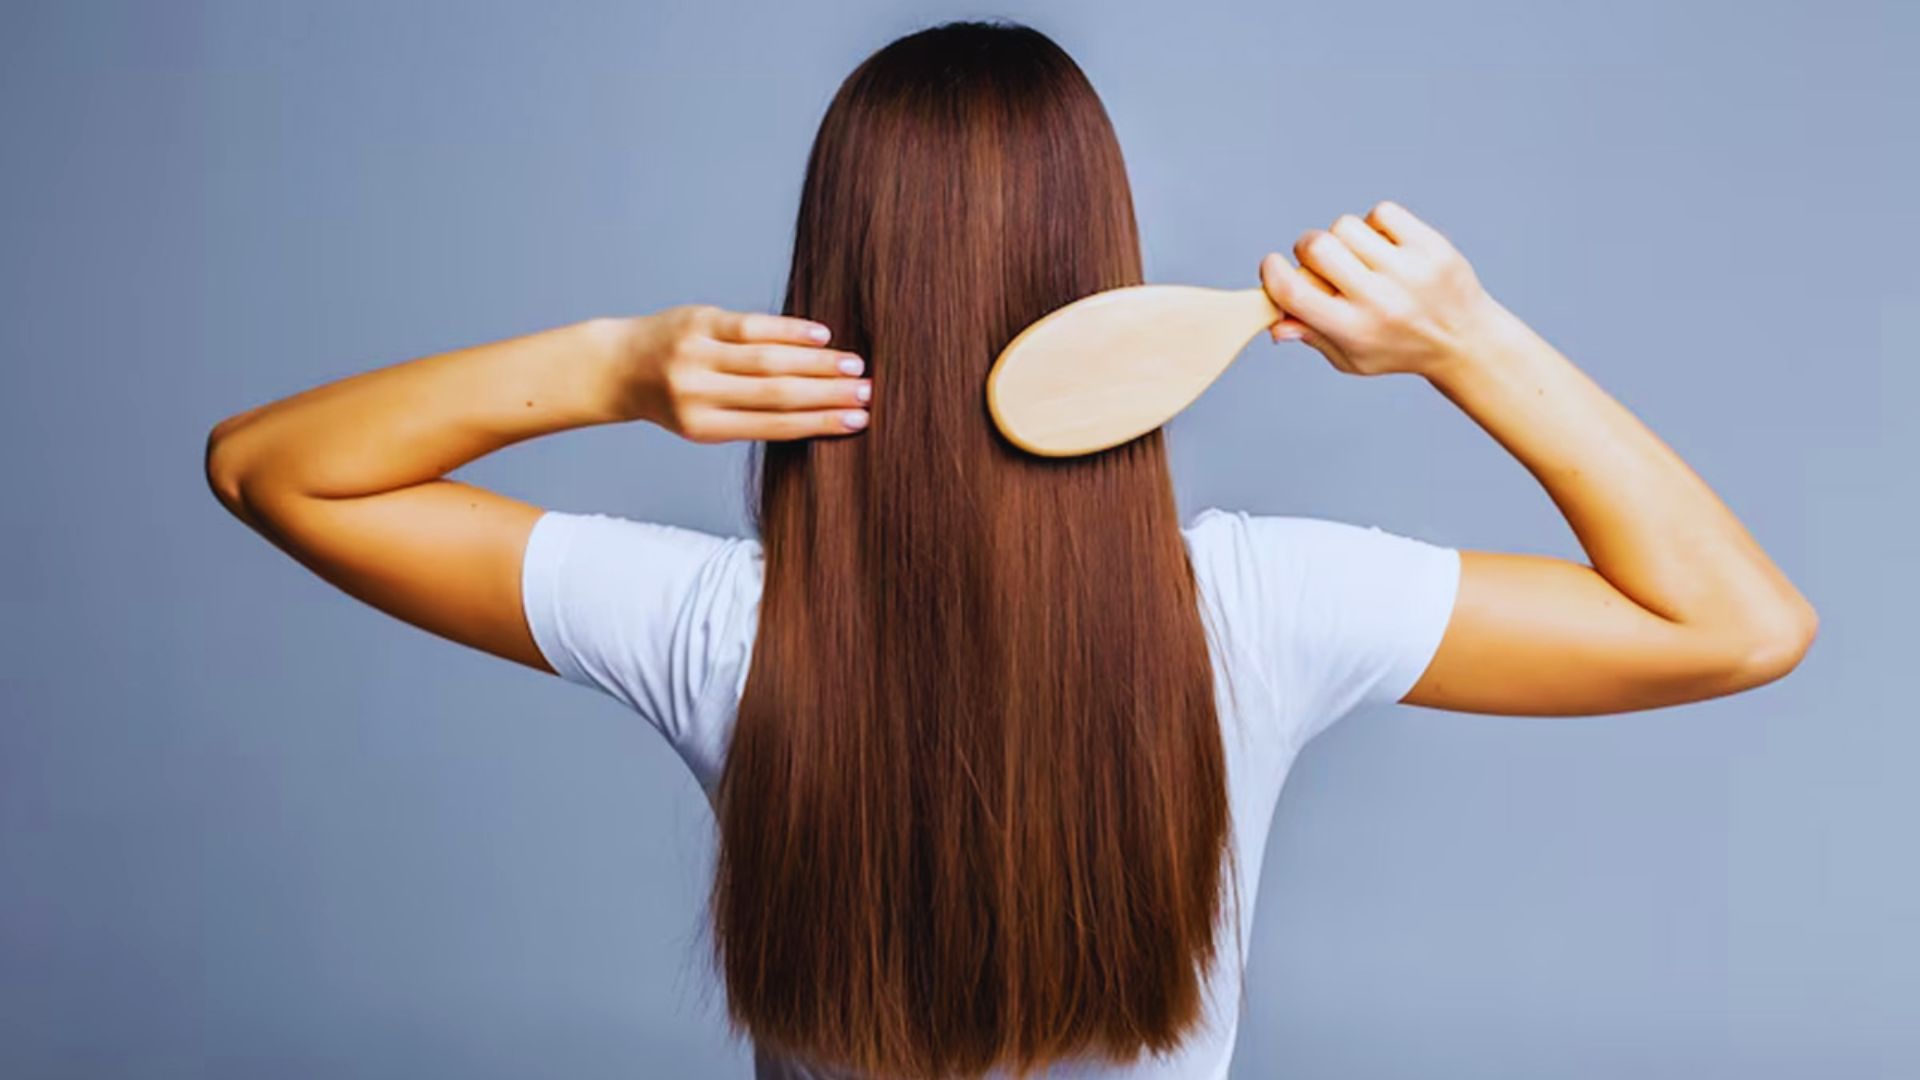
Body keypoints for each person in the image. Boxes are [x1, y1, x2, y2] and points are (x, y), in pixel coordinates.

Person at [202, 18, 1816, 1080]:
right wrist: (1469, 340)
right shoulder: (1256, 609)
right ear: (1100, 269)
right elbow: (1733, 626)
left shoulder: (728, 630)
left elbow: (275, 473)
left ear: (833, 279)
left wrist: (618, 365)